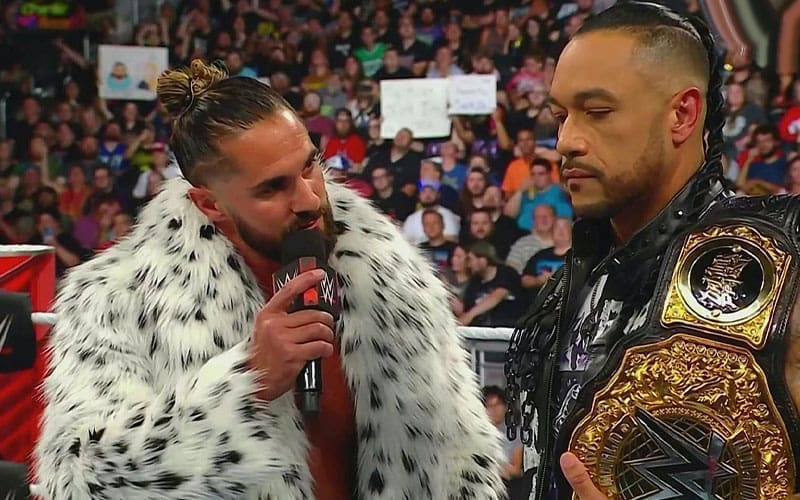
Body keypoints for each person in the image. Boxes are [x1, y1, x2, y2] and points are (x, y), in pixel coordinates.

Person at [34, 60, 505, 499]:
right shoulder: (115, 299)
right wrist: (244, 383)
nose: (310, 199)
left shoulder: (392, 276)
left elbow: (463, 460)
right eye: (273, 187)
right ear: (210, 204)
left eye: (310, 165)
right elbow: (79, 479)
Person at [504, 3, 800, 500]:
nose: (565, 142)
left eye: (597, 112)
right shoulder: (571, 284)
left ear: (682, 114)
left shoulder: (783, 261)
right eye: (559, 117)